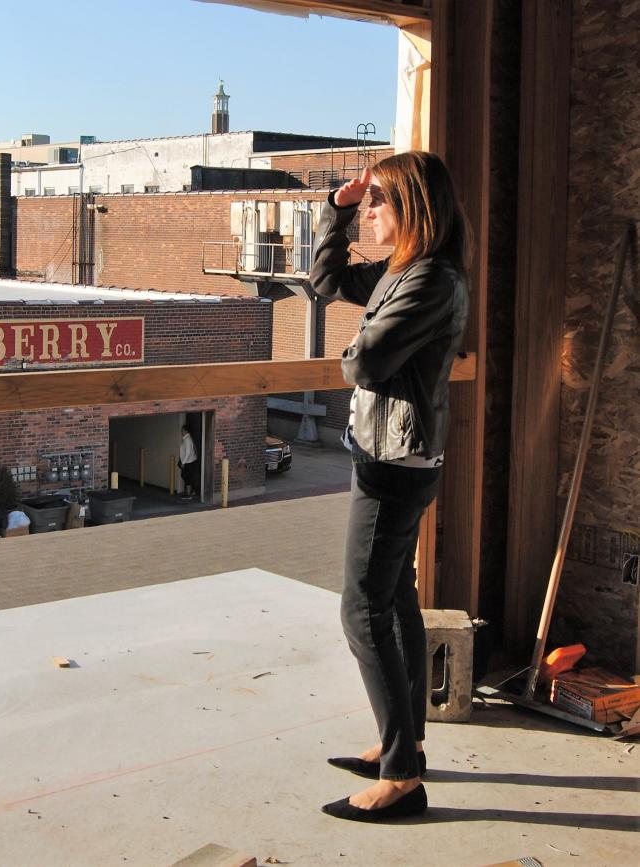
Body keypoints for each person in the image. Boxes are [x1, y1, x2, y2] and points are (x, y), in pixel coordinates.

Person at [309, 152, 470, 822]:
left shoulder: (429, 279)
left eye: (377, 201)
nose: (368, 212)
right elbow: (323, 282)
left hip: (395, 464)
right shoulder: (402, 272)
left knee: (361, 609)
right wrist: (336, 212)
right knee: (395, 601)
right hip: (392, 454)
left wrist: (354, 348)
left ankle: (401, 776)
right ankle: (403, 744)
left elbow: (370, 361)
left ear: (412, 209)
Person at [178, 424, 199, 499]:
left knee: (186, 477)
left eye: (183, 430)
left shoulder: (187, 440)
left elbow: (188, 452)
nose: (181, 432)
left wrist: (183, 462)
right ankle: (191, 491)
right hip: (190, 461)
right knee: (187, 476)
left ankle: (189, 494)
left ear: (186, 431)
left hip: (188, 462)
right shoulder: (187, 439)